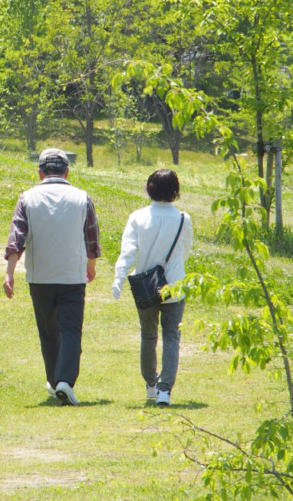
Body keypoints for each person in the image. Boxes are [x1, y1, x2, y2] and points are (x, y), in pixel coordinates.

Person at [4, 148, 101, 406]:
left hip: (40, 276)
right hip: (72, 275)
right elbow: (92, 237)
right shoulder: (82, 198)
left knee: (48, 331)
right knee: (71, 330)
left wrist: (9, 273)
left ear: (39, 173)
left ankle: (56, 379)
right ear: (67, 172)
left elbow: (17, 239)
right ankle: (64, 382)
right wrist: (90, 266)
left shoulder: (27, 198)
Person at [111, 169, 193, 407]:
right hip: (174, 284)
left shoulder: (137, 217)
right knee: (171, 337)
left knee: (148, 335)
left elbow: (128, 252)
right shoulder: (183, 219)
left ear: (149, 188)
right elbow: (185, 252)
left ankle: (151, 384)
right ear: (175, 191)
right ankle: (165, 390)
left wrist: (119, 277)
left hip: (146, 286)